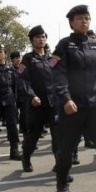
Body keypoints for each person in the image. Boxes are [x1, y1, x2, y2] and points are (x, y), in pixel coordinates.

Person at [52, 5, 96, 192]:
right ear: (72, 22)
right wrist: (65, 98)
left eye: (87, 18)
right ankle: (62, 184)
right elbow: (58, 74)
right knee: (66, 148)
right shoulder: (64, 45)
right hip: (73, 105)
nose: (84, 21)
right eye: (80, 18)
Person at [19, 25, 59, 172]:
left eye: (43, 36)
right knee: (34, 134)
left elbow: (59, 76)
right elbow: (23, 80)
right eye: (37, 37)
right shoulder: (28, 59)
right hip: (37, 103)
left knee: (57, 134)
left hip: (53, 102)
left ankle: (60, 163)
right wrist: (32, 96)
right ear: (32, 40)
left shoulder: (52, 58)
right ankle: (26, 156)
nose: (41, 39)